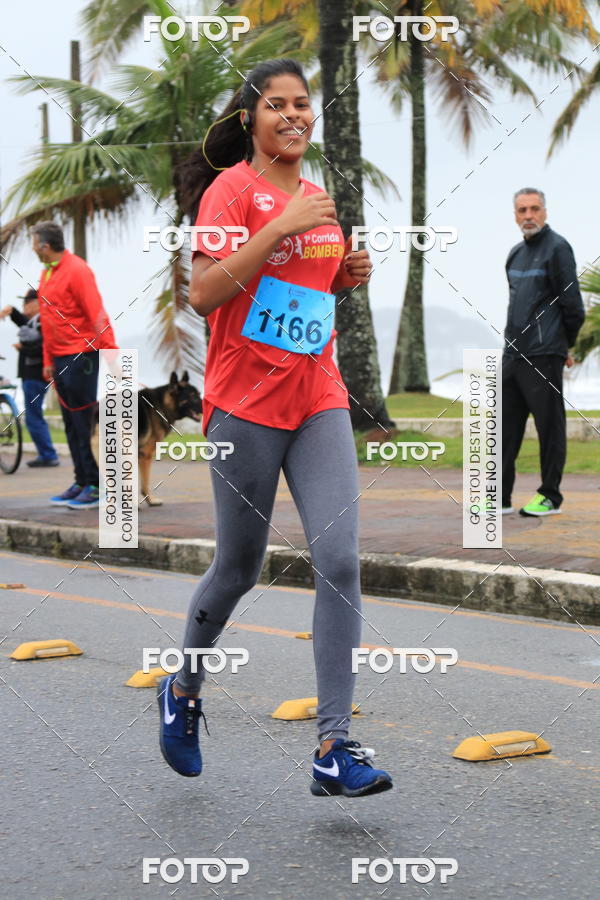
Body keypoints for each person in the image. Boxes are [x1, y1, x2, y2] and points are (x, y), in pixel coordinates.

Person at [157, 58, 393, 797]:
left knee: (342, 562)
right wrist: (280, 227)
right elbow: (202, 291)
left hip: (317, 398)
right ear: (251, 120)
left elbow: (307, 298)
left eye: (304, 104)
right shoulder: (231, 192)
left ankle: (333, 745)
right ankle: (183, 689)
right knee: (239, 568)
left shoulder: (319, 199)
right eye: (279, 106)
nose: (295, 115)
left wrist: (346, 276)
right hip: (243, 407)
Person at [502, 188, 585, 517]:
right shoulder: (514, 254)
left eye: (534, 209)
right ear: (514, 215)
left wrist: (564, 345)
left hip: (544, 352)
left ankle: (549, 495)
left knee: (550, 426)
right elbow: (515, 306)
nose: (528, 216)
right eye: (522, 210)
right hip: (513, 354)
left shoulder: (558, 248)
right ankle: (501, 497)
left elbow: (572, 305)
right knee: (505, 429)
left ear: (545, 212)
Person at [31, 221, 117, 509]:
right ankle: (80, 480)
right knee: (69, 423)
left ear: (44, 244)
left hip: (82, 356)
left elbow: (97, 313)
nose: (33, 248)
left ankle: (94, 485)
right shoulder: (47, 273)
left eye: (34, 243)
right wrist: (47, 362)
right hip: (58, 359)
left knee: (82, 423)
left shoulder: (77, 270)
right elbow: (47, 323)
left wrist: (111, 354)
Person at [0, 288, 59, 467]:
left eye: (26, 302)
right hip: (31, 374)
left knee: (33, 417)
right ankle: (46, 453)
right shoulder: (34, 322)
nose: (24, 305)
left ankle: (48, 454)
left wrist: (22, 349)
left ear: (37, 303)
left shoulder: (41, 322)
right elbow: (22, 321)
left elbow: (43, 349)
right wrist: (12, 310)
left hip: (35, 374)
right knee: (34, 416)